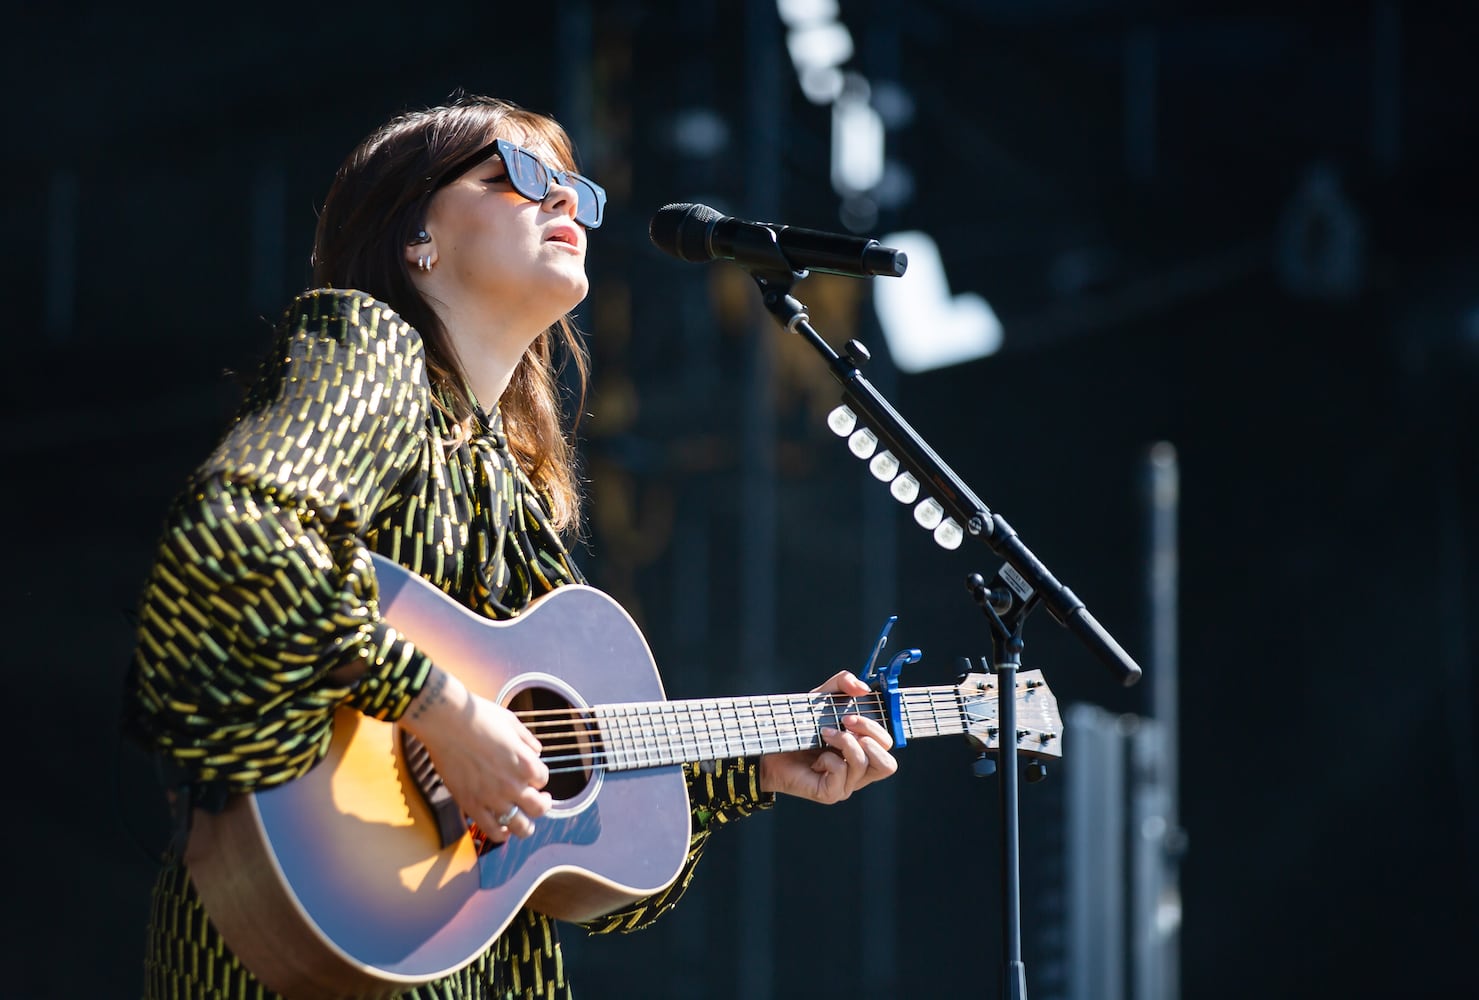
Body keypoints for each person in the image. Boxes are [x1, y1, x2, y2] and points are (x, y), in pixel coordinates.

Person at [122, 92, 898, 1000]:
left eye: (573, 186)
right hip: (300, 935)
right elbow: (234, 545)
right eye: (520, 176)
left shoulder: (521, 498)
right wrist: (441, 708)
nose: (565, 200)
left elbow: (583, 867)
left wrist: (752, 772)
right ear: (418, 236)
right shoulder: (365, 349)